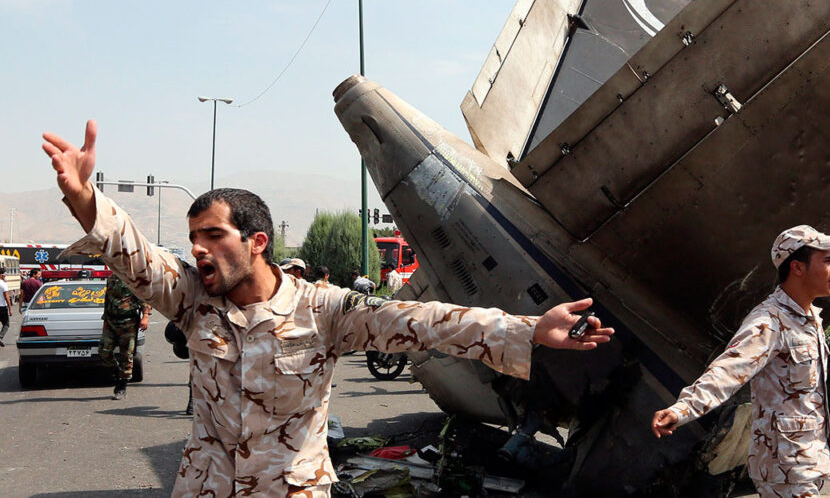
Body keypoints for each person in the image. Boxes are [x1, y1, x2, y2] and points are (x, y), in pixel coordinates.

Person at [42, 120, 614, 498]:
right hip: (206, 487)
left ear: (257, 241)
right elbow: (133, 253)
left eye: (213, 235)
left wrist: (529, 330)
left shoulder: (325, 309)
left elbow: (423, 322)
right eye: (194, 237)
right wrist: (84, 198)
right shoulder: (192, 298)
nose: (197, 249)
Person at [651, 225, 830, 498]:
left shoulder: (810, 318)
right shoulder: (769, 321)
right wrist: (683, 409)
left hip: (806, 463)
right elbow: (729, 369)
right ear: (797, 267)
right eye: (828, 260)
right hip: (785, 468)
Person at [100, 273, 152, 399]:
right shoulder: (111, 278)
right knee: (103, 351)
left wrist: (145, 316)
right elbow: (108, 299)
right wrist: (105, 319)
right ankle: (118, 372)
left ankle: (121, 386)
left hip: (128, 322)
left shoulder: (134, 279)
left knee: (126, 354)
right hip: (111, 321)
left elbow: (144, 298)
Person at [0, 275, 9, 347]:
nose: (5, 276)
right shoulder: (3, 284)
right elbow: (6, 297)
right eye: (4, 275)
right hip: (2, 307)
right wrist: (10, 308)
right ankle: (0, 337)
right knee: (6, 324)